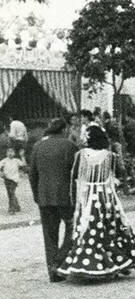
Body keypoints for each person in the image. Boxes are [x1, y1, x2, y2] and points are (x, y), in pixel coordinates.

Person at [56, 124, 135, 280]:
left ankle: (91, 263)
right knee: (111, 228)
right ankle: (116, 261)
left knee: (88, 228)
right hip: (106, 197)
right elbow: (118, 173)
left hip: (88, 197)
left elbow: (74, 176)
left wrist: (73, 199)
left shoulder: (81, 155)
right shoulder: (110, 156)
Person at [29, 118, 77, 282]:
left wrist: (37, 195)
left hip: (44, 198)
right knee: (73, 229)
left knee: (49, 236)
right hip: (66, 197)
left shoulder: (37, 146)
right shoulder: (69, 146)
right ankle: (59, 261)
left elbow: (32, 175)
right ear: (64, 130)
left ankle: (53, 271)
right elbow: (76, 172)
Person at [0, 145, 21, 214]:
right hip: (7, 179)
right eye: (8, 152)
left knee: (11, 192)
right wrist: (1, 173)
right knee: (10, 193)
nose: (10, 153)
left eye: (12, 152)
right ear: (6, 153)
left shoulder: (16, 160)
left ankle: (11, 209)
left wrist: (23, 156)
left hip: (14, 179)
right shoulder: (4, 161)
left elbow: (24, 165)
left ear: (14, 153)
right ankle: (17, 206)